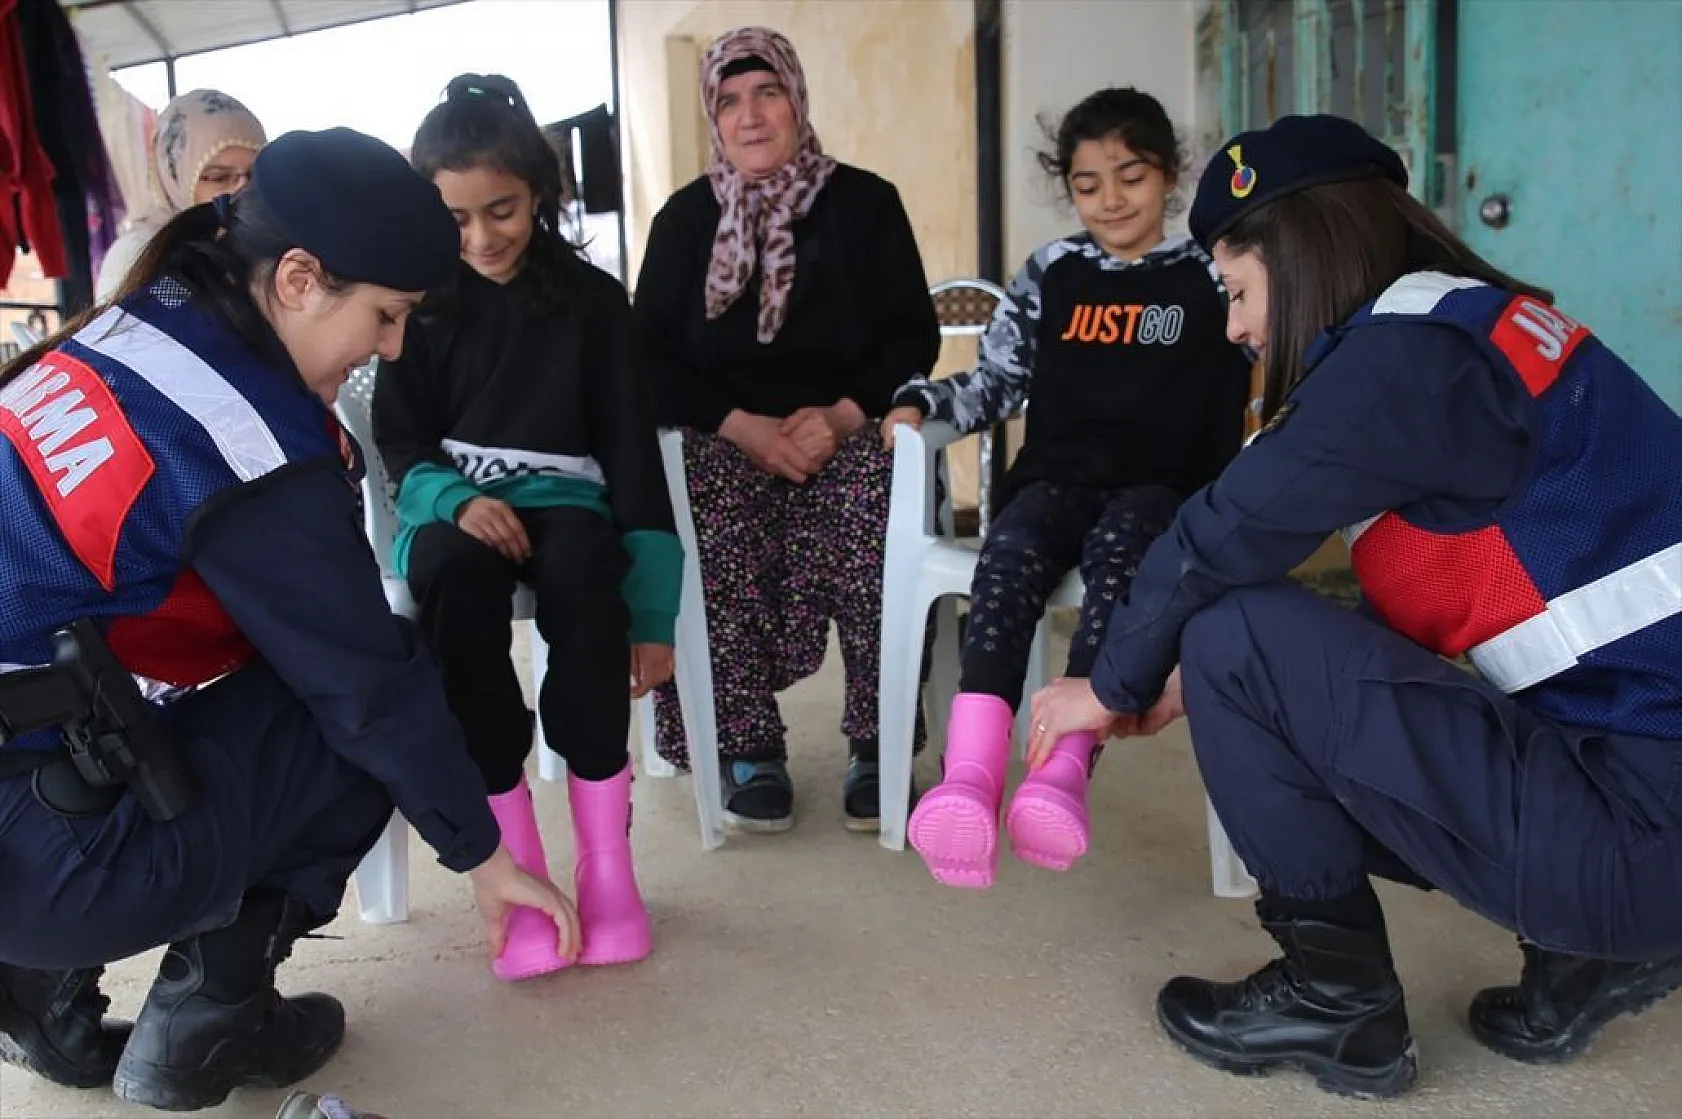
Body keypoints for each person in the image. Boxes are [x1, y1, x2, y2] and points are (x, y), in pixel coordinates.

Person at [1026, 113, 1682, 1098]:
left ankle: (1336, 1004)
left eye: (1237, 291)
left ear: (1299, 254)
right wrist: (1207, 691)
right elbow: (1408, 645)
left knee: (1228, 628)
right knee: (1239, 655)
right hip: (1638, 790)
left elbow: (1217, 529)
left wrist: (1105, 677)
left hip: (1640, 824)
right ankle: (1589, 949)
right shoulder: (1467, 333)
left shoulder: (1404, 358)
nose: (1236, 329)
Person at [0, 127, 578, 1113]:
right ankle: (207, 1019)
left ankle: (31, 994)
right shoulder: (245, 438)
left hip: (23, 810)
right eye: (386, 316)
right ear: (300, 278)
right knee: (373, 703)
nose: (390, 348)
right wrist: (483, 858)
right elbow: (369, 688)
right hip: (50, 860)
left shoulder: (137, 326)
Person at [884, 88, 1251, 888]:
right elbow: (996, 382)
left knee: (1125, 562)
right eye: (1089, 185)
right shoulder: (1054, 272)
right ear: (1069, 189)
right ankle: (971, 779)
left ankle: (1061, 774)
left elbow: (1268, 363)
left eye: (1131, 176)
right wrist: (921, 404)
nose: (1112, 200)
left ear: (1170, 175)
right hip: (1056, 478)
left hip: (1164, 489)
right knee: (1007, 556)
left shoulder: (1213, 274)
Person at [374, 74, 678, 979]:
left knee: (588, 569)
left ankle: (606, 866)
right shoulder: (419, 303)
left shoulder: (591, 302)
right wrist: (459, 500)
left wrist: (654, 616)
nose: (479, 237)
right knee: (449, 580)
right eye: (455, 218)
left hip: (569, 508)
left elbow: (630, 453)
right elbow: (400, 438)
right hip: (452, 510)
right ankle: (517, 871)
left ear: (540, 190)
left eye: (500, 209)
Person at [632, 26, 941, 833]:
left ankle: (879, 741)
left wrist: (843, 417)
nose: (750, 116)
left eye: (766, 92)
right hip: (726, 442)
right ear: (713, 114)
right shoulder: (684, 222)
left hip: (840, 433)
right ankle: (746, 745)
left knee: (879, 494)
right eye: (729, 100)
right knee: (699, 505)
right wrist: (744, 429)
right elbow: (649, 358)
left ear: (797, 100)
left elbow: (911, 334)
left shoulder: (865, 204)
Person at [95, 89, 268, 300]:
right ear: (173, 178)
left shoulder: (265, 242)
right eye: (219, 178)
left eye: (254, 175)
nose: (240, 189)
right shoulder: (140, 258)